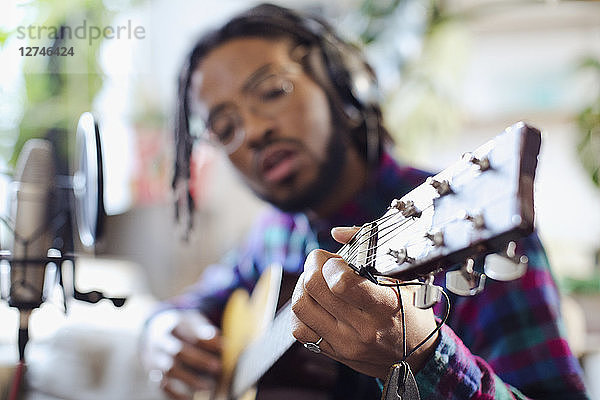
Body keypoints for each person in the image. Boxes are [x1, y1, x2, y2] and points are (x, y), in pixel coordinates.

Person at [140, 3, 590, 399]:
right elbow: (197, 301)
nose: (255, 131)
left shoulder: (465, 222)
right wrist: (161, 331)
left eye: (272, 91)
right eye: (224, 127)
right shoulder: (276, 232)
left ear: (340, 85)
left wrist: (426, 358)